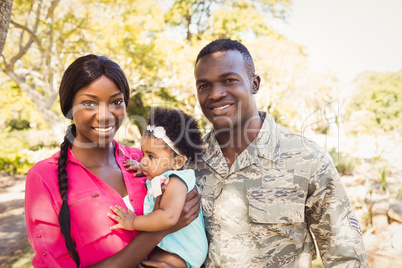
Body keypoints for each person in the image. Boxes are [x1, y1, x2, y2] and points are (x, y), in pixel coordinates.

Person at [193, 39, 369, 267]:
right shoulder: (187, 162)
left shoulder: (307, 158)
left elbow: (345, 254)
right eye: (204, 86)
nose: (215, 94)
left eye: (229, 80)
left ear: (254, 83)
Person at [24, 54, 200, 268]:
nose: (105, 115)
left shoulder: (145, 161)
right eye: (89, 103)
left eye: (116, 102)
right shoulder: (44, 178)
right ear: (69, 107)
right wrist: (160, 229)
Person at [107, 107, 208, 268]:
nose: (144, 160)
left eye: (151, 156)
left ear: (178, 162)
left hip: (183, 251)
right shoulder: (165, 174)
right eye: (143, 153)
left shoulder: (178, 181)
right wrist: (144, 167)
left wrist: (133, 222)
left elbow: (168, 217)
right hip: (172, 247)